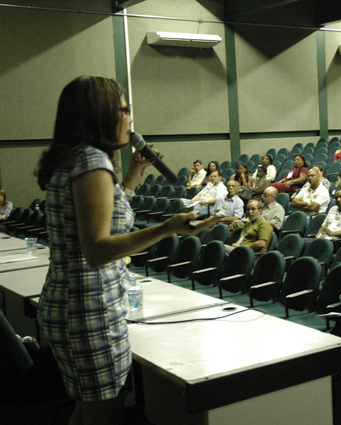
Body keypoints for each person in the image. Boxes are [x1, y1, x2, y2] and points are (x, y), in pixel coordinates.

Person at [35, 76, 217, 425]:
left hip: (69, 303)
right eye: (123, 109)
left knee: (84, 409)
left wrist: (133, 173)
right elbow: (98, 250)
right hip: (90, 309)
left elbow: (105, 216)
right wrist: (168, 227)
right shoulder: (91, 162)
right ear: (99, 114)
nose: (131, 118)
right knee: (103, 415)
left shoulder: (74, 159)